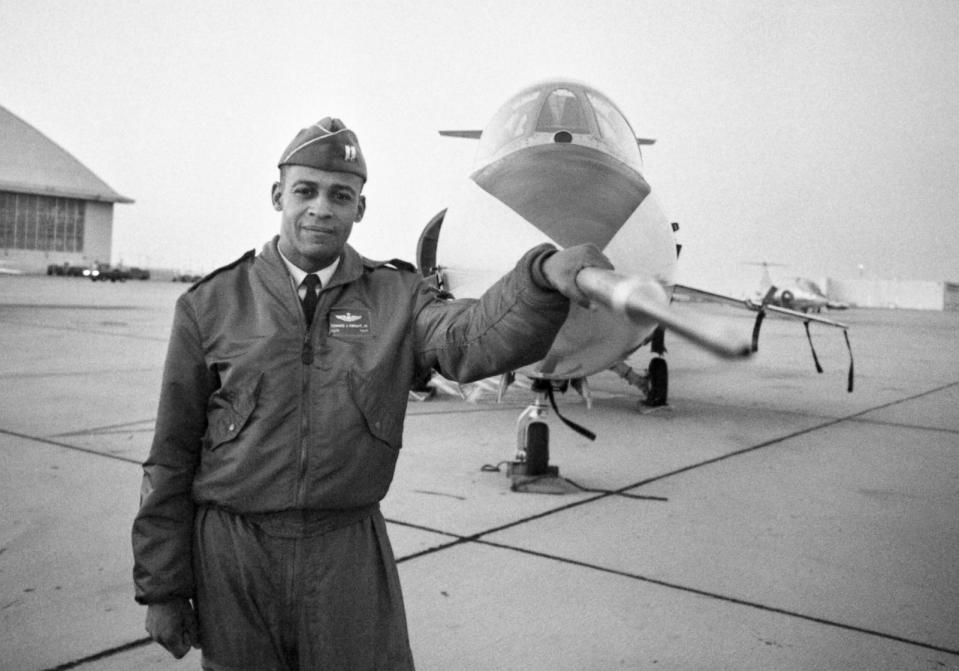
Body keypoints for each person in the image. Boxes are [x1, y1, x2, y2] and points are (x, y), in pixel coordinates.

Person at [131, 117, 612, 670]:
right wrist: (163, 588)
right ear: (277, 195)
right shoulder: (209, 305)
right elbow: (169, 456)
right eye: (305, 191)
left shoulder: (396, 298)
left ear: (359, 208)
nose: (321, 209)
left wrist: (540, 277)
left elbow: (473, 337)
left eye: (341, 195)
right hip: (235, 555)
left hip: (346, 552)